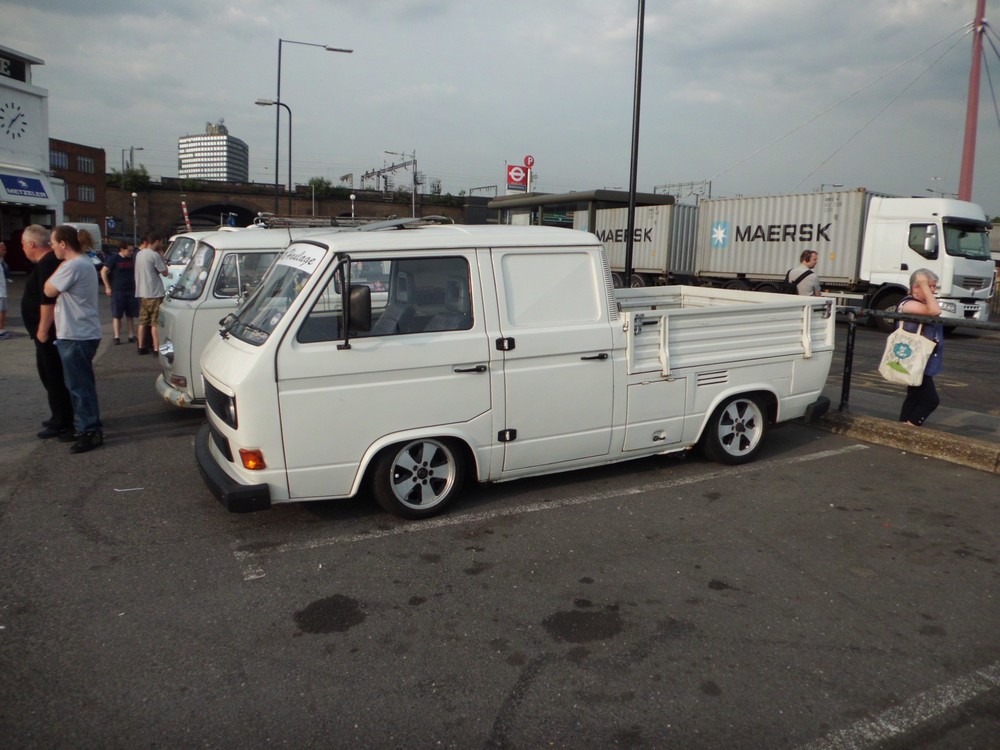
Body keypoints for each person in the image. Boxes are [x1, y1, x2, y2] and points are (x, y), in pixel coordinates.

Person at [43, 225, 104, 453]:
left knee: (80, 386)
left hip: (77, 334)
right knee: (78, 384)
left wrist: (58, 271)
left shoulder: (72, 265)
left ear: (63, 243)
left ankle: (90, 431)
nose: (51, 248)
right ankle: (84, 426)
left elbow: (48, 290)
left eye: (52, 243)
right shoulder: (83, 263)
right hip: (80, 333)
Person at [20, 225, 75, 438]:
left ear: (31, 244)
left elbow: (48, 300)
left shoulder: (48, 262)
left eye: (23, 244)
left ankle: (63, 421)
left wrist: (42, 330)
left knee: (53, 376)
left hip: (48, 332)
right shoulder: (47, 262)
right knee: (48, 374)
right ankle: (59, 416)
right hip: (44, 331)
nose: (23, 248)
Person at [898, 268, 944, 427]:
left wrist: (926, 288)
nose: (933, 290)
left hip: (921, 360)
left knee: (914, 397)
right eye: (929, 286)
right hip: (914, 359)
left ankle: (902, 427)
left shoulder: (921, 303)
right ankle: (911, 427)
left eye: (934, 286)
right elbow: (934, 311)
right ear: (915, 287)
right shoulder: (908, 303)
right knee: (930, 401)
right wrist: (923, 284)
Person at [134, 232, 167, 355]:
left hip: (142, 292)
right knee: (155, 323)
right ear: (157, 241)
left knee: (142, 322)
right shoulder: (155, 255)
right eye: (161, 242)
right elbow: (165, 272)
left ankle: (141, 346)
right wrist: (162, 258)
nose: (161, 245)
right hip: (155, 292)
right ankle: (156, 348)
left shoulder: (139, 254)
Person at [101, 240, 139, 344]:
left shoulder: (132, 259)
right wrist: (107, 287)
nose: (131, 253)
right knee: (117, 315)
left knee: (131, 314)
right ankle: (116, 336)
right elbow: (103, 271)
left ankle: (131, 335)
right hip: (118, 290)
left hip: (131, 290)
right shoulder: (114, 258)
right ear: (122, 249)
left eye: (132, 251)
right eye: (129, 250)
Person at [0, 240, 9, 340]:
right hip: (0, 293)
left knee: (3, 310)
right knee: (2, 311)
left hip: (2, 291)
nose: (5, 252)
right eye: (3, 250)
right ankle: (1, 331)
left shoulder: (1, 262)